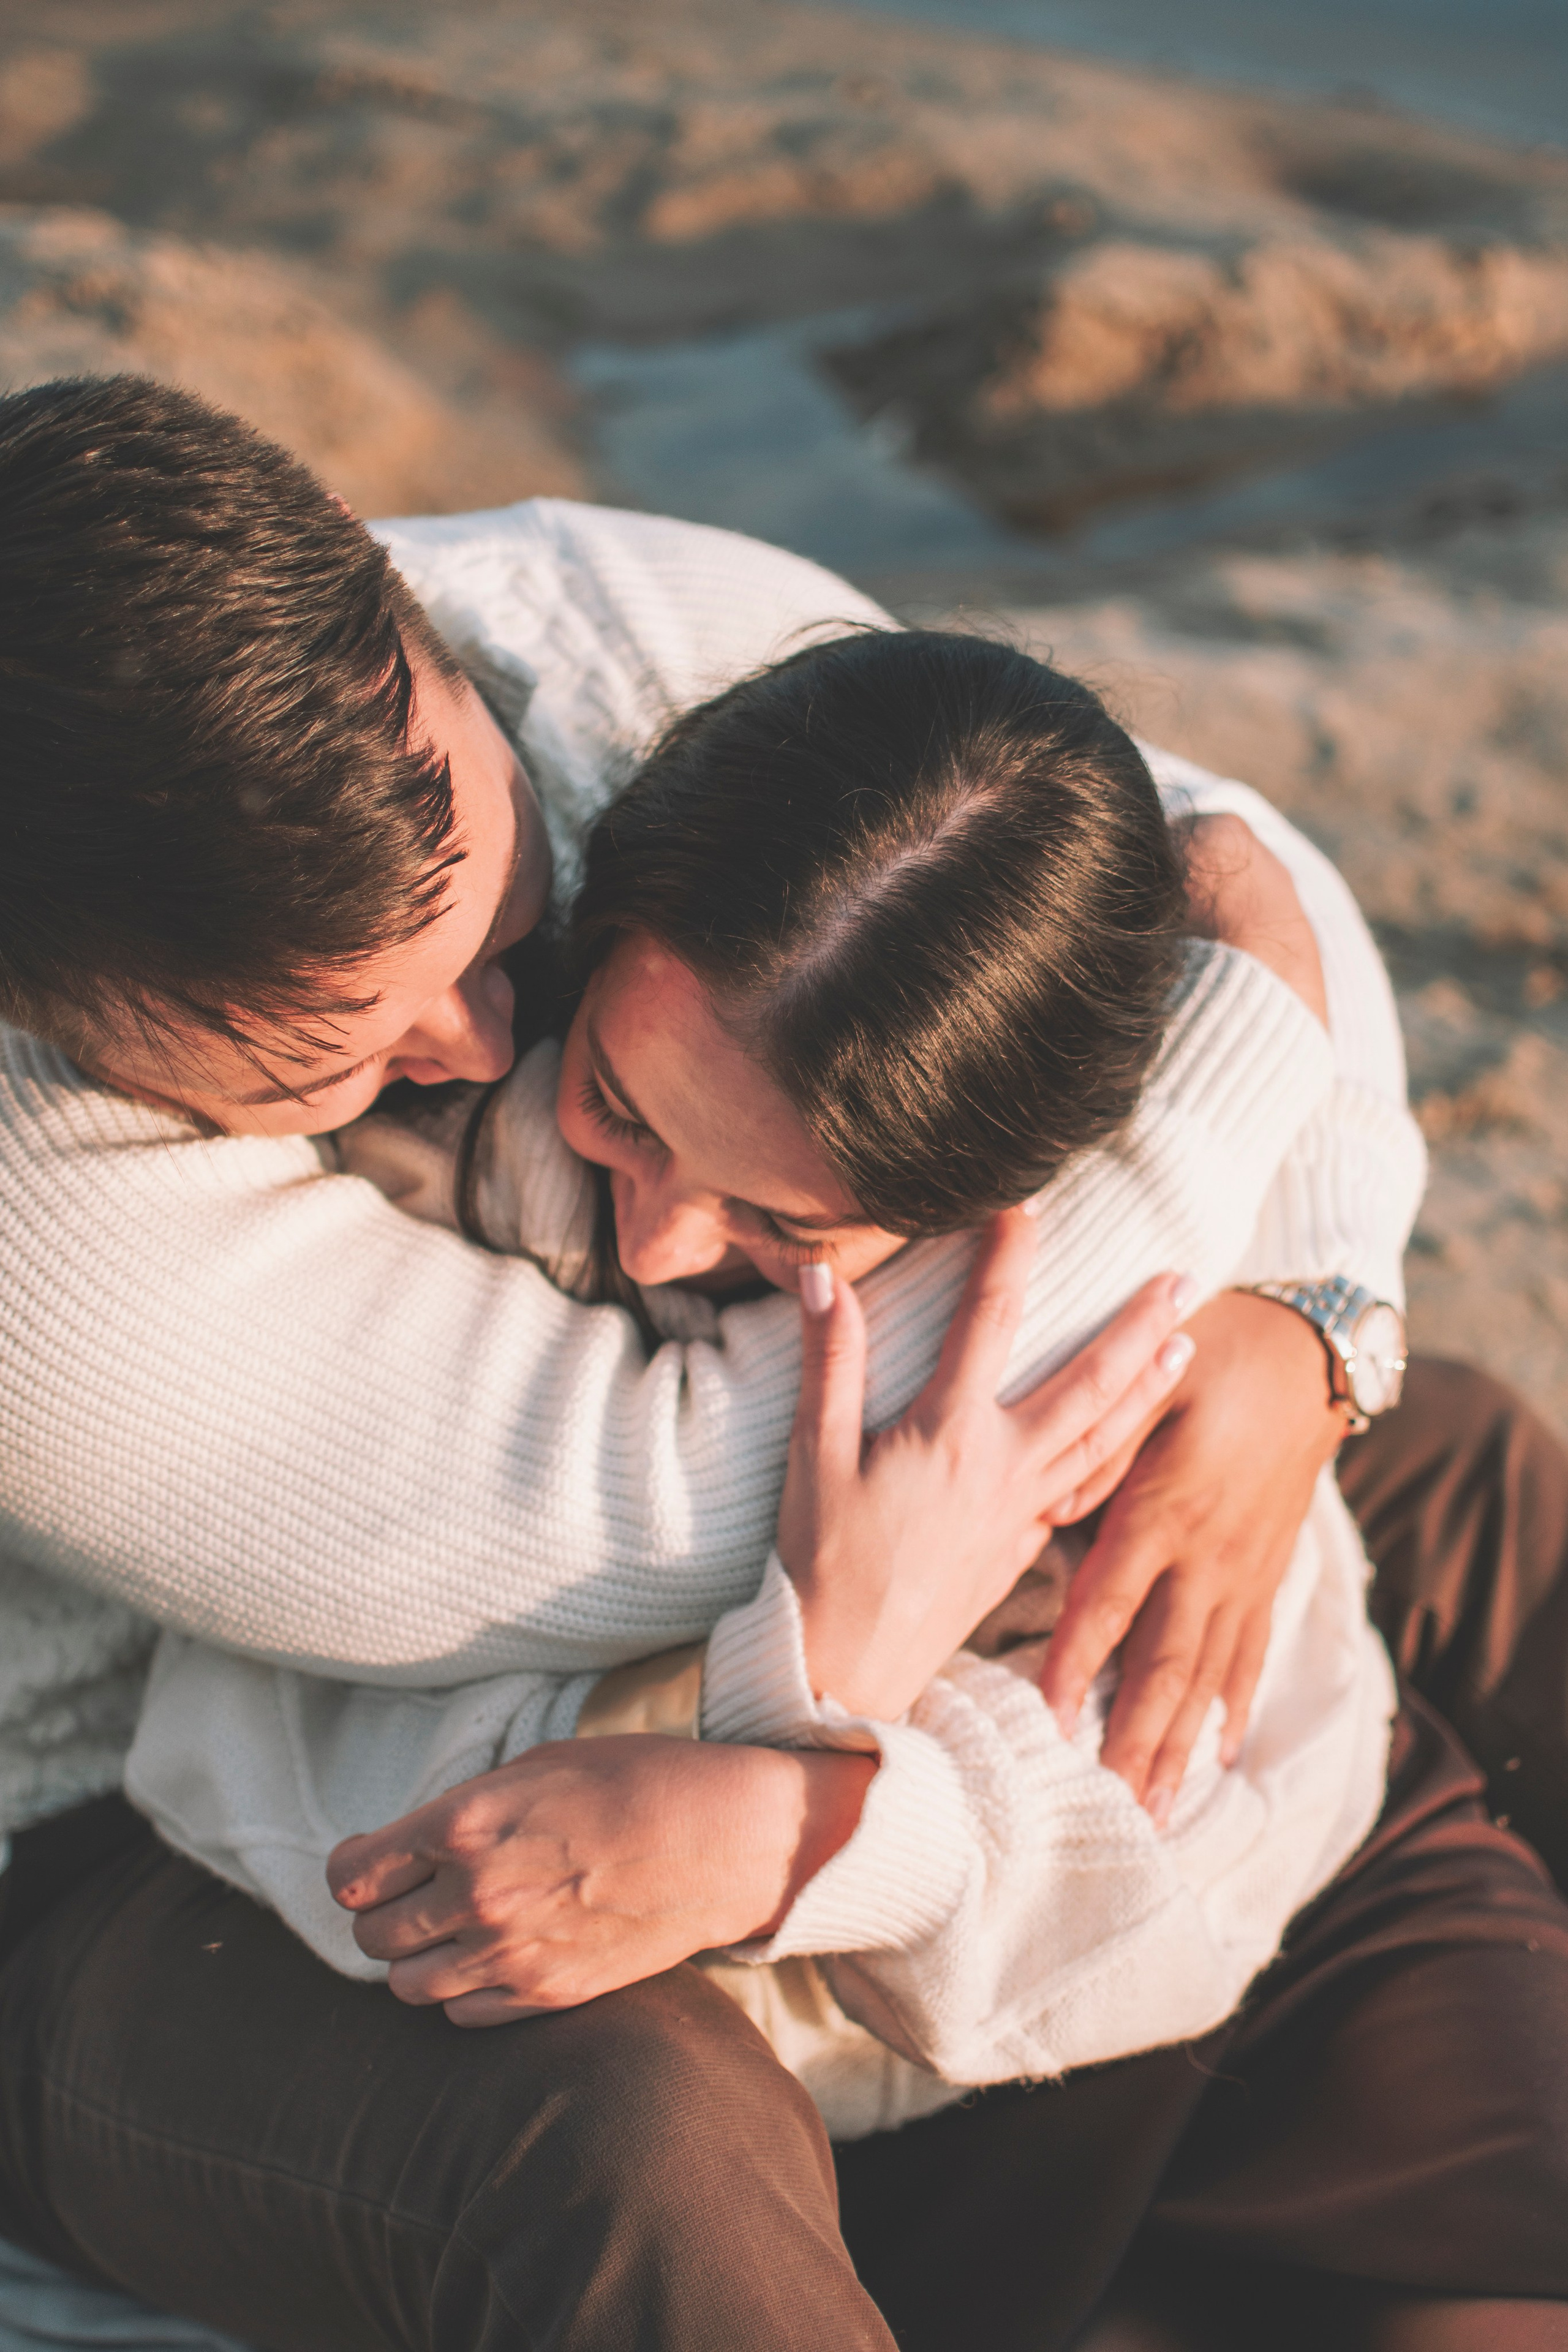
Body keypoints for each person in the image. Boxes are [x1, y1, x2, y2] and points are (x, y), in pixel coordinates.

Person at [0, 373, 1550, 2348]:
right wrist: (1221, 1104)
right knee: (618, 2137)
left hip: (645, 1584)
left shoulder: (574, 627)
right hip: (102, 1836)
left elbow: (1194, 868)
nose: (487, 1051)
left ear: (397, 603)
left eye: (498, 923)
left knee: (1456, 1470)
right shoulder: (26, 1209)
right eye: (348, 1056)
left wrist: (1305, 1325)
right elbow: (634, 1506)